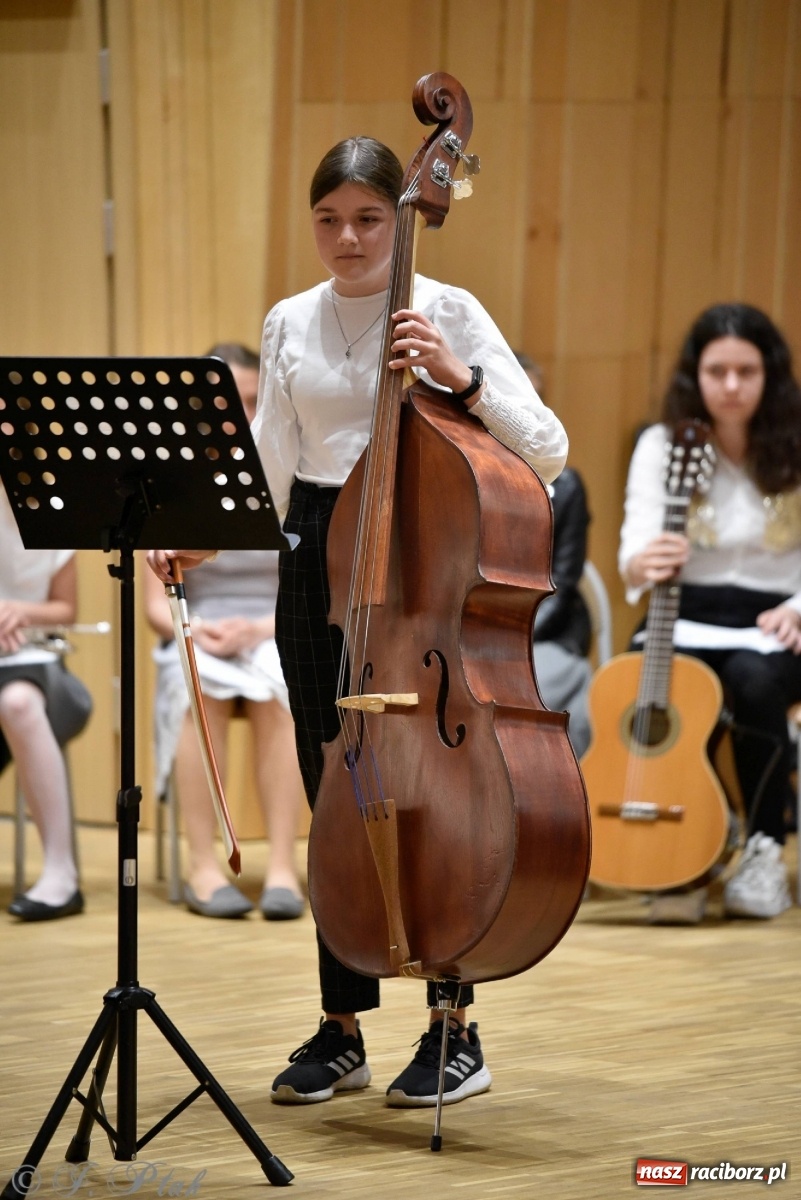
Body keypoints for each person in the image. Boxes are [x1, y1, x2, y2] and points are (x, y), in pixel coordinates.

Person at [148, 137, 568, 1108]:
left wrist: (459, 377)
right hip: (316, 548)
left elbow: (546, 447)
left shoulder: (447, 306)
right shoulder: (291, 319)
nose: (348, 238)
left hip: (422, 540)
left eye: (369, 218)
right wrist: (204, 535)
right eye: (329, 219)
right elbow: (274, 456)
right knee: (332, 779)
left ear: (402, 215)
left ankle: (452, 1025)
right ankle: (343, 1025)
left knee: (434, 781)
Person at [619, 302, 801, 923]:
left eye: (745, 371)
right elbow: (630, 553)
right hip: (682, 611)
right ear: (694, 375)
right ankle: (686, 847)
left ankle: (763, 849)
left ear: (770, 375)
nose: (730, 386)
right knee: (652, 691)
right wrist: (648, 559)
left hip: (776, 621)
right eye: (716, 370)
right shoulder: (662, 443)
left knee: (753, 682)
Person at [143, 343, 305, 920]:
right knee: (199, 692)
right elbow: (155, 609)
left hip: (271, 627)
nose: (241, 413)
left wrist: (258, 629)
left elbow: (303, 584)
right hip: (198, 627)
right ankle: (203, 865)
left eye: (254, 400)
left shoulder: (286, 473)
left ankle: (284, 865)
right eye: (227, 401)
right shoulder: (170, 478)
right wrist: (203, 631)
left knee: (282, 696)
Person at [1, 485, 92, 921]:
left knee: (17, 702)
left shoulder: (49, 507)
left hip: (35, 664)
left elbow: (66, 609)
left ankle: (61, 873)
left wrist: (17, 611)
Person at [516, 354, 592, 757]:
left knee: (528, 693)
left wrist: (511, 635)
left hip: (548, 633)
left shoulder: (568, 486)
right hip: (469, 636)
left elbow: (563, 583)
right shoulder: (458, 475)